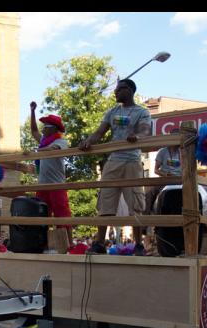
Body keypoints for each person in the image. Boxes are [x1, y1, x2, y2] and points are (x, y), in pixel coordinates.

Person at [79, 78, 151, 254]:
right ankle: (99, 243)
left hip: (132, 160)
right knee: (106, 200)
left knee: (135, 203)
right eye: (116, 89)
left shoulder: (142, 112)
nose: (116, 92)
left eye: (120, 89)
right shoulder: (112, 112)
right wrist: (88, 141)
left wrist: (137, 137)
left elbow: (145, 130)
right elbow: (99, 132)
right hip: (113, 160)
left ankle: (138, 244)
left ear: (130, 90)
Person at [29, 102, 72, 248]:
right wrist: (32, 111)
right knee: (42, 215)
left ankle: (69, 244)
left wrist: (37, 151)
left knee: (63, 215)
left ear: (53, 129)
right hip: (43, 186)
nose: (43, 129)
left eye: (45, 126)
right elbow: (34, 130)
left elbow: (53, 149)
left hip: (56, 185)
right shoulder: (43, 141)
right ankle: (43, 244)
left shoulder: (61, 141)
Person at [146, 127, 181, 215]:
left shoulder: (183, 151)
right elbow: (155, 170)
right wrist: (166, 174)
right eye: (174, 138)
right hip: (165, 180)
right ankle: (146, 218)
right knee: (149, 194)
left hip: (180, 180)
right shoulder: (162, 151)